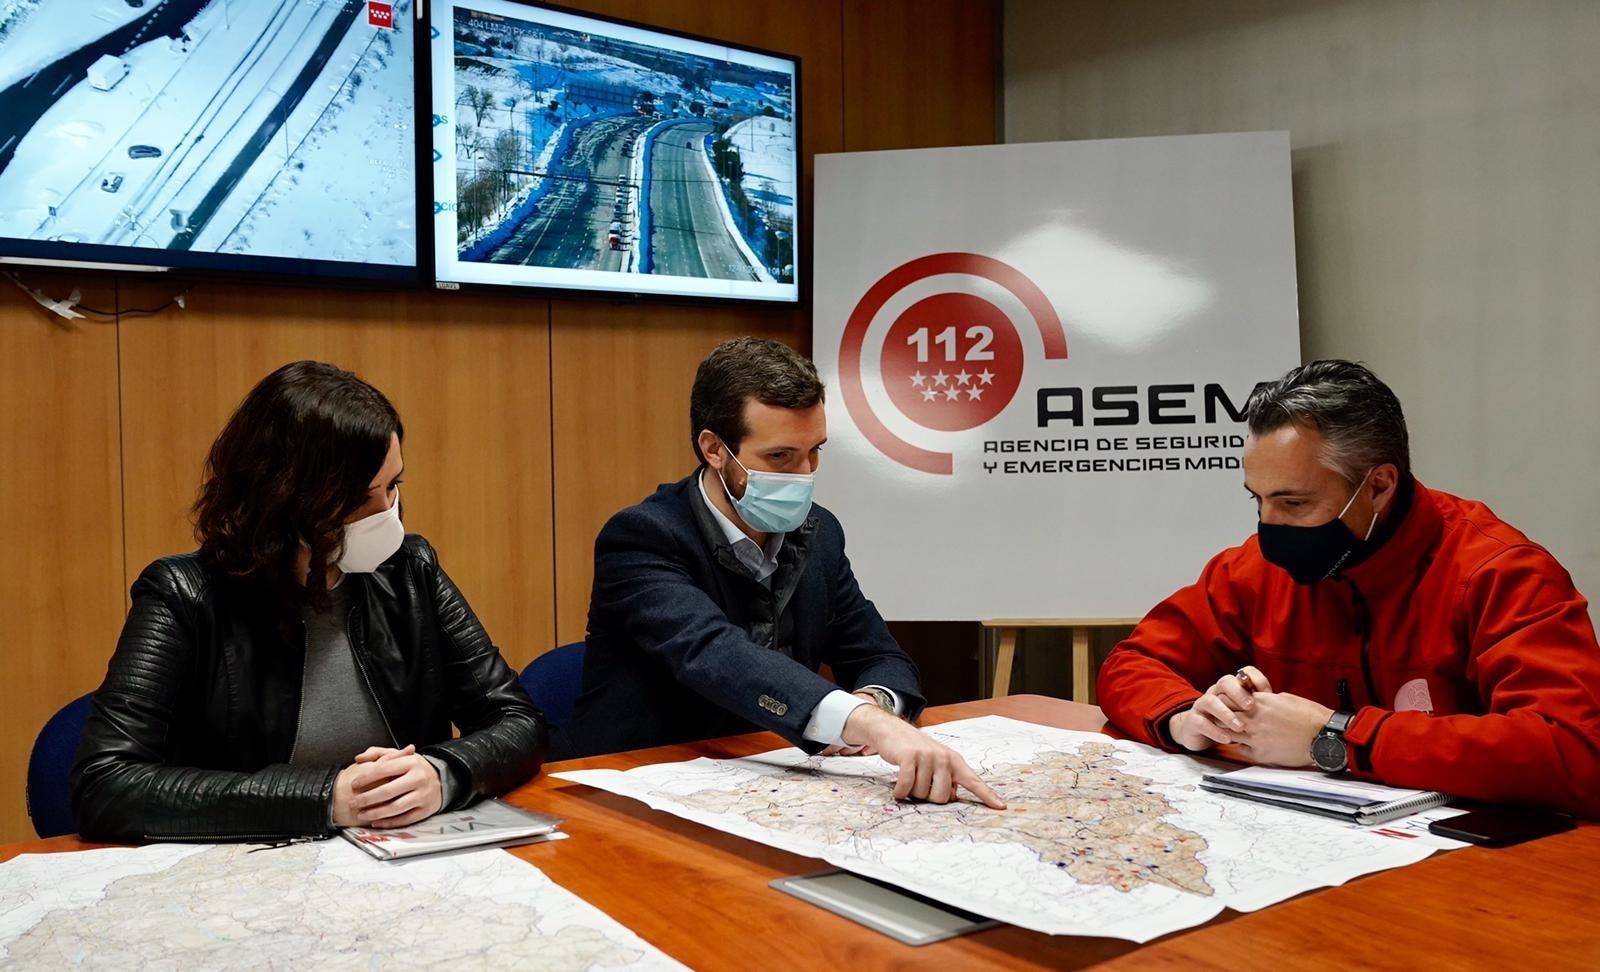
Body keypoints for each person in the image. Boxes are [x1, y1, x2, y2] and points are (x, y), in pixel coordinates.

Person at [1097, 360, 1600, 816]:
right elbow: (1133, 663)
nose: (1268, 528)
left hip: (1474, 875)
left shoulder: (1500, 573)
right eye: (1259, 500)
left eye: (1293, 503)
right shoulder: (1253, 569)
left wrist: (1333, 737)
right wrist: (1186, 719)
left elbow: (1575, 751)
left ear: (1380, 485)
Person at [72, 361, 547, 842]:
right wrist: (327, 799)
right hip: (251, 871)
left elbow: (518, 721)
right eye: (362, 499)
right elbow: (105, 785)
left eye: (394, 487)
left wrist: (442, 773)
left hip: (403, 862)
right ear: (284, 500)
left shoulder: (411, 570)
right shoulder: (183, 596)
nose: (388, 516)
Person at [563, 337, 1004, 809]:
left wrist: (875, 704)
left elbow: (878, 654)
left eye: (814, 451)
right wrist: (863, 722)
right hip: (633, 788)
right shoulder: (642, 537)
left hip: (767, 783)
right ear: (714, 449)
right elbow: (714, 652)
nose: (803, 474)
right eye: (780, 457)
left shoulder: (820, 532)